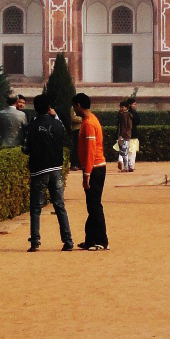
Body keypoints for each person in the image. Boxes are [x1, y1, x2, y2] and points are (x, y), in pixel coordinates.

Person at [21, 93, 73, 251]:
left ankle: (35, 241)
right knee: (59, 205)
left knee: (36, 207)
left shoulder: (32, 125)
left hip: (39, 169)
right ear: (49, 107)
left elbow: (26, 148)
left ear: (36, 108)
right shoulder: (57, 124)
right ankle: (68, 240)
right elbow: (64, 137)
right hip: (56, 168)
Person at [73, 93, 108, 250]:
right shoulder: (91, 120)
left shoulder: (88, 124)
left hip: (94, 168)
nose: (74, 110)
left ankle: (101, 240)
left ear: (79, 105)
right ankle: (91, 239)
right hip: (97, 166)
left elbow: (90, 151)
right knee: (93, 205)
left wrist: (86, 174)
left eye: (74, 106)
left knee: (94, 206)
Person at [115, 100, 134, 171]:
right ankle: (130, 166)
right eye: (121, 107)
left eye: (123, 107)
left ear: (126, 107)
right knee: (126, 151)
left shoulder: (124, 115)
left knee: (124, 152)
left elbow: (123, 127)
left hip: (124, 135)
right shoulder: (128, 115)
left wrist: (121, 135)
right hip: (127, 135)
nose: (121, 108)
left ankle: (126, 167)